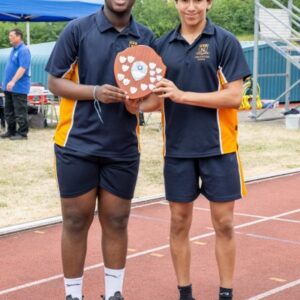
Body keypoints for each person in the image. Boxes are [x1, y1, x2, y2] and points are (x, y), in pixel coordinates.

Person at [140, 0, 251, 299]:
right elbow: (154, 100)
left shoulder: (225, 41)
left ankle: (225, 292)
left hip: (220, 148)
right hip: (177, 150)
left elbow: (233, 96)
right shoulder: (161, 45)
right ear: (174, 3)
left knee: (224, 223)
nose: (191, 7)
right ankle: (185, 292)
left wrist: (182, 95)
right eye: (184, 0)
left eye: (198, 0)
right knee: (178, 223)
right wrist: (129, 103)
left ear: (209, 3)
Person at [45, 1, 154, 299]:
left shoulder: (146, 36)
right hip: (76, 143)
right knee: (76, 220)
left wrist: (137, 104)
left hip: (123, 146)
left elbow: (151, 94)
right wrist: (95, 92)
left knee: (117, 220)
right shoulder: (78, 30)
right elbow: (54, 81)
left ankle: (114, 293)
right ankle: (73, 294)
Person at [0, 28, 31, 140]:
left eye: (12, 36)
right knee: (8, 110)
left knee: (20, 111)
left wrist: (13, 81)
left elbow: (23, 68)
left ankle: (22, 134)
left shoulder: (23, 50)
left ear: (19, 36)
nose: (10, 38)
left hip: (19, 87)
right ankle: (11, 131)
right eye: (9, 36)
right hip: (8, 87)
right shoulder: (14, 50)